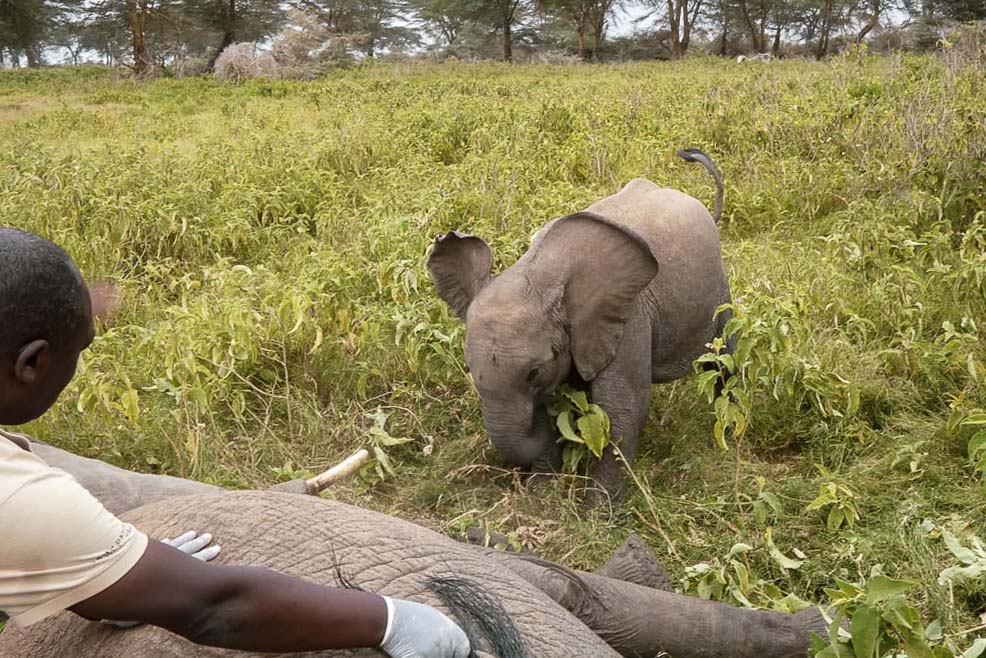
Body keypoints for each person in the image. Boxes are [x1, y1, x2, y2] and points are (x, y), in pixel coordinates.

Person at [0, 228, 471, 658]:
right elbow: (214, 608)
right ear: (32, 364)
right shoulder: (16, 495)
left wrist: (111, 580)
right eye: (81, 349)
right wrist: (391, 620)